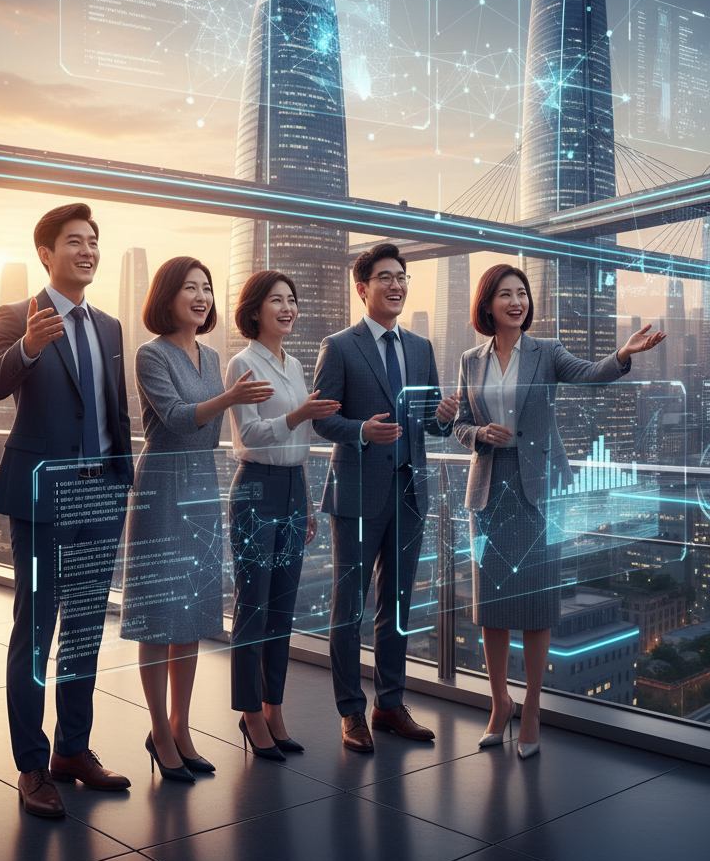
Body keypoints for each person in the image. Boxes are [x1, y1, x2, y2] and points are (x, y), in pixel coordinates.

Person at [454, 264, 664, 759]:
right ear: (487, 304)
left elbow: (590, 376)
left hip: (537, 491)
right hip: (487, 491)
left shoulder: (545, 352)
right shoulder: (469, 359)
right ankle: (499, 702)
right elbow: (461, 423)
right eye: (505, 294)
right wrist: (479, 435)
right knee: (492, 608)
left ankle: (531, 708)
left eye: (522, 293)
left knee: (539, 605)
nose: (516, 301)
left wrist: (623, 355)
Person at [0, 203, 135, 818]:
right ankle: (31, 765)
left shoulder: (112, 326)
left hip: (100, 493)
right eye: (75, 241)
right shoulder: (18, 314)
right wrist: (26, 346)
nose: (88, 249)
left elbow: (113, 410)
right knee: (36, 630)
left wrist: (122, 479)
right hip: (44, 494)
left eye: (94, 241)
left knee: (85, 630)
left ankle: (74, 749)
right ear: (47, 253)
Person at [119, 256, 273, 781]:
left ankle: (183, 729)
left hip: (203, 488)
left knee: (192, 614)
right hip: (162, 488)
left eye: (207, 288)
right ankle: (159, 730)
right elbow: (179, 420)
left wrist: (229, 401)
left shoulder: (211, 358)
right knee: (158, 614)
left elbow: (206, 436)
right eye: (190, 288)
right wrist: (231, 398)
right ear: (167, 295)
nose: (202, 296)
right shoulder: (150, 354)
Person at [313, 243, 459, 752]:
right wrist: (360, 430)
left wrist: (443, 418)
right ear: (363, 287)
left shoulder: (420, 347)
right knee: (348, 608)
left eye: (402, 277)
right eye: (384, 277)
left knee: (396, 606)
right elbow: (321, 417)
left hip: (409, 492)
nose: (396, 285)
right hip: (356, 493)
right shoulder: (340, 345)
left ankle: (390, 705)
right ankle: (351, 712)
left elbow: (432, 424)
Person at [226, 270, 341, 761]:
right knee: (253, 605)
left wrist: (309, 499)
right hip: (255, 487)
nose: (289, 308)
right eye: (277, 301)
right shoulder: (241, 364)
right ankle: (250, 715)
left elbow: (300, 443)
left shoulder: (295, 365)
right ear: (255, 311)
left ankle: (274, 709)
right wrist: (298, 415)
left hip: (294, 487)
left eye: (292, 300)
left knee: (282, 607)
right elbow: (251, 435)